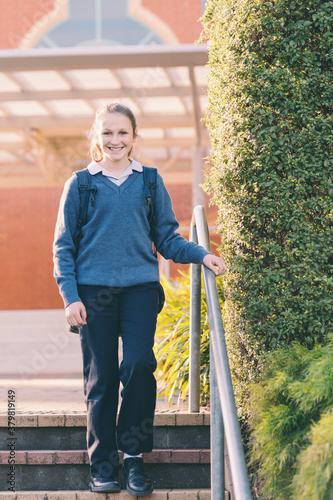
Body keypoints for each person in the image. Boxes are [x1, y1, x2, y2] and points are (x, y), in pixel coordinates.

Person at [53, 103, 227, 496]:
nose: (115, 140)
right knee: (101, 379)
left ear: (134, 137)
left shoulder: (149, 181)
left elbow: (167, 238)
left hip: (140, 290)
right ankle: (102, 464)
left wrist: (202, 254)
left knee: (138, 365)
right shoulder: (80, 184)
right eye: (107, 133)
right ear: (97, 138)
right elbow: (63, 246)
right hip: (93, 293)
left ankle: (132, 458)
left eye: (123, 133)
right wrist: (70, 297)